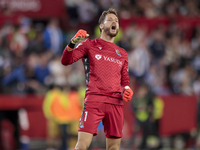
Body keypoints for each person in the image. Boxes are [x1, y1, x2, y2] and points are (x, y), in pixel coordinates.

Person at [61, 8, 133, 150]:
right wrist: (73, 43)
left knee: (114, 148)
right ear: (101, 26)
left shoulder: (122, 53)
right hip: (95, 100)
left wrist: (127, 90)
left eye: (117, 21)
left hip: (116, 103)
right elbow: (65, 61)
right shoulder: (89, 44)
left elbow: (125, 80)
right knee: (81, 145)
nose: (115, 22)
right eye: (110, 20)